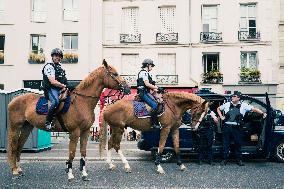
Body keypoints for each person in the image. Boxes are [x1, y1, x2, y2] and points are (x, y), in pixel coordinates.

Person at [217, 91, 266, 166]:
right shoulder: (227, 104)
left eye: (234, 96)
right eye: (232, 96)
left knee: (238, 144)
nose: (232, 97)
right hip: (227, 127)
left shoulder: (244, 105)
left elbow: (254, 109)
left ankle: (239, 160)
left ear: (238, 98)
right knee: (226, 144)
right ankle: (224, 159)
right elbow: (218, 108)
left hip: (237, 128)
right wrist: (221, 117)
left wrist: (262, 113)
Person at [42, 48, 68, 130]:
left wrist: (67, 88)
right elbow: (52, 81)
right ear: (52, 56)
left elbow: (65, 82)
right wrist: (63, 86)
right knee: (55, 102)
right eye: (56, 55)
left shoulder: (61, 69)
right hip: (50, 89)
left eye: (60, 56)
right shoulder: (49, 66)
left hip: (59, 89)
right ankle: (48, 123)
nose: (58, 57)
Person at [137, 59, 161, 129]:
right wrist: (157, 87)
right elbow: (147, 84)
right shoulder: (143, 73)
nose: (152, 67)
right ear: (147, 65)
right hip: (143, 93)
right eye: (151, 65)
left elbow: (150, 86)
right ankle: (153, 124)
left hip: (146, 92)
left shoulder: (147, 73)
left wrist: (158, 90)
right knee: (155, 105)